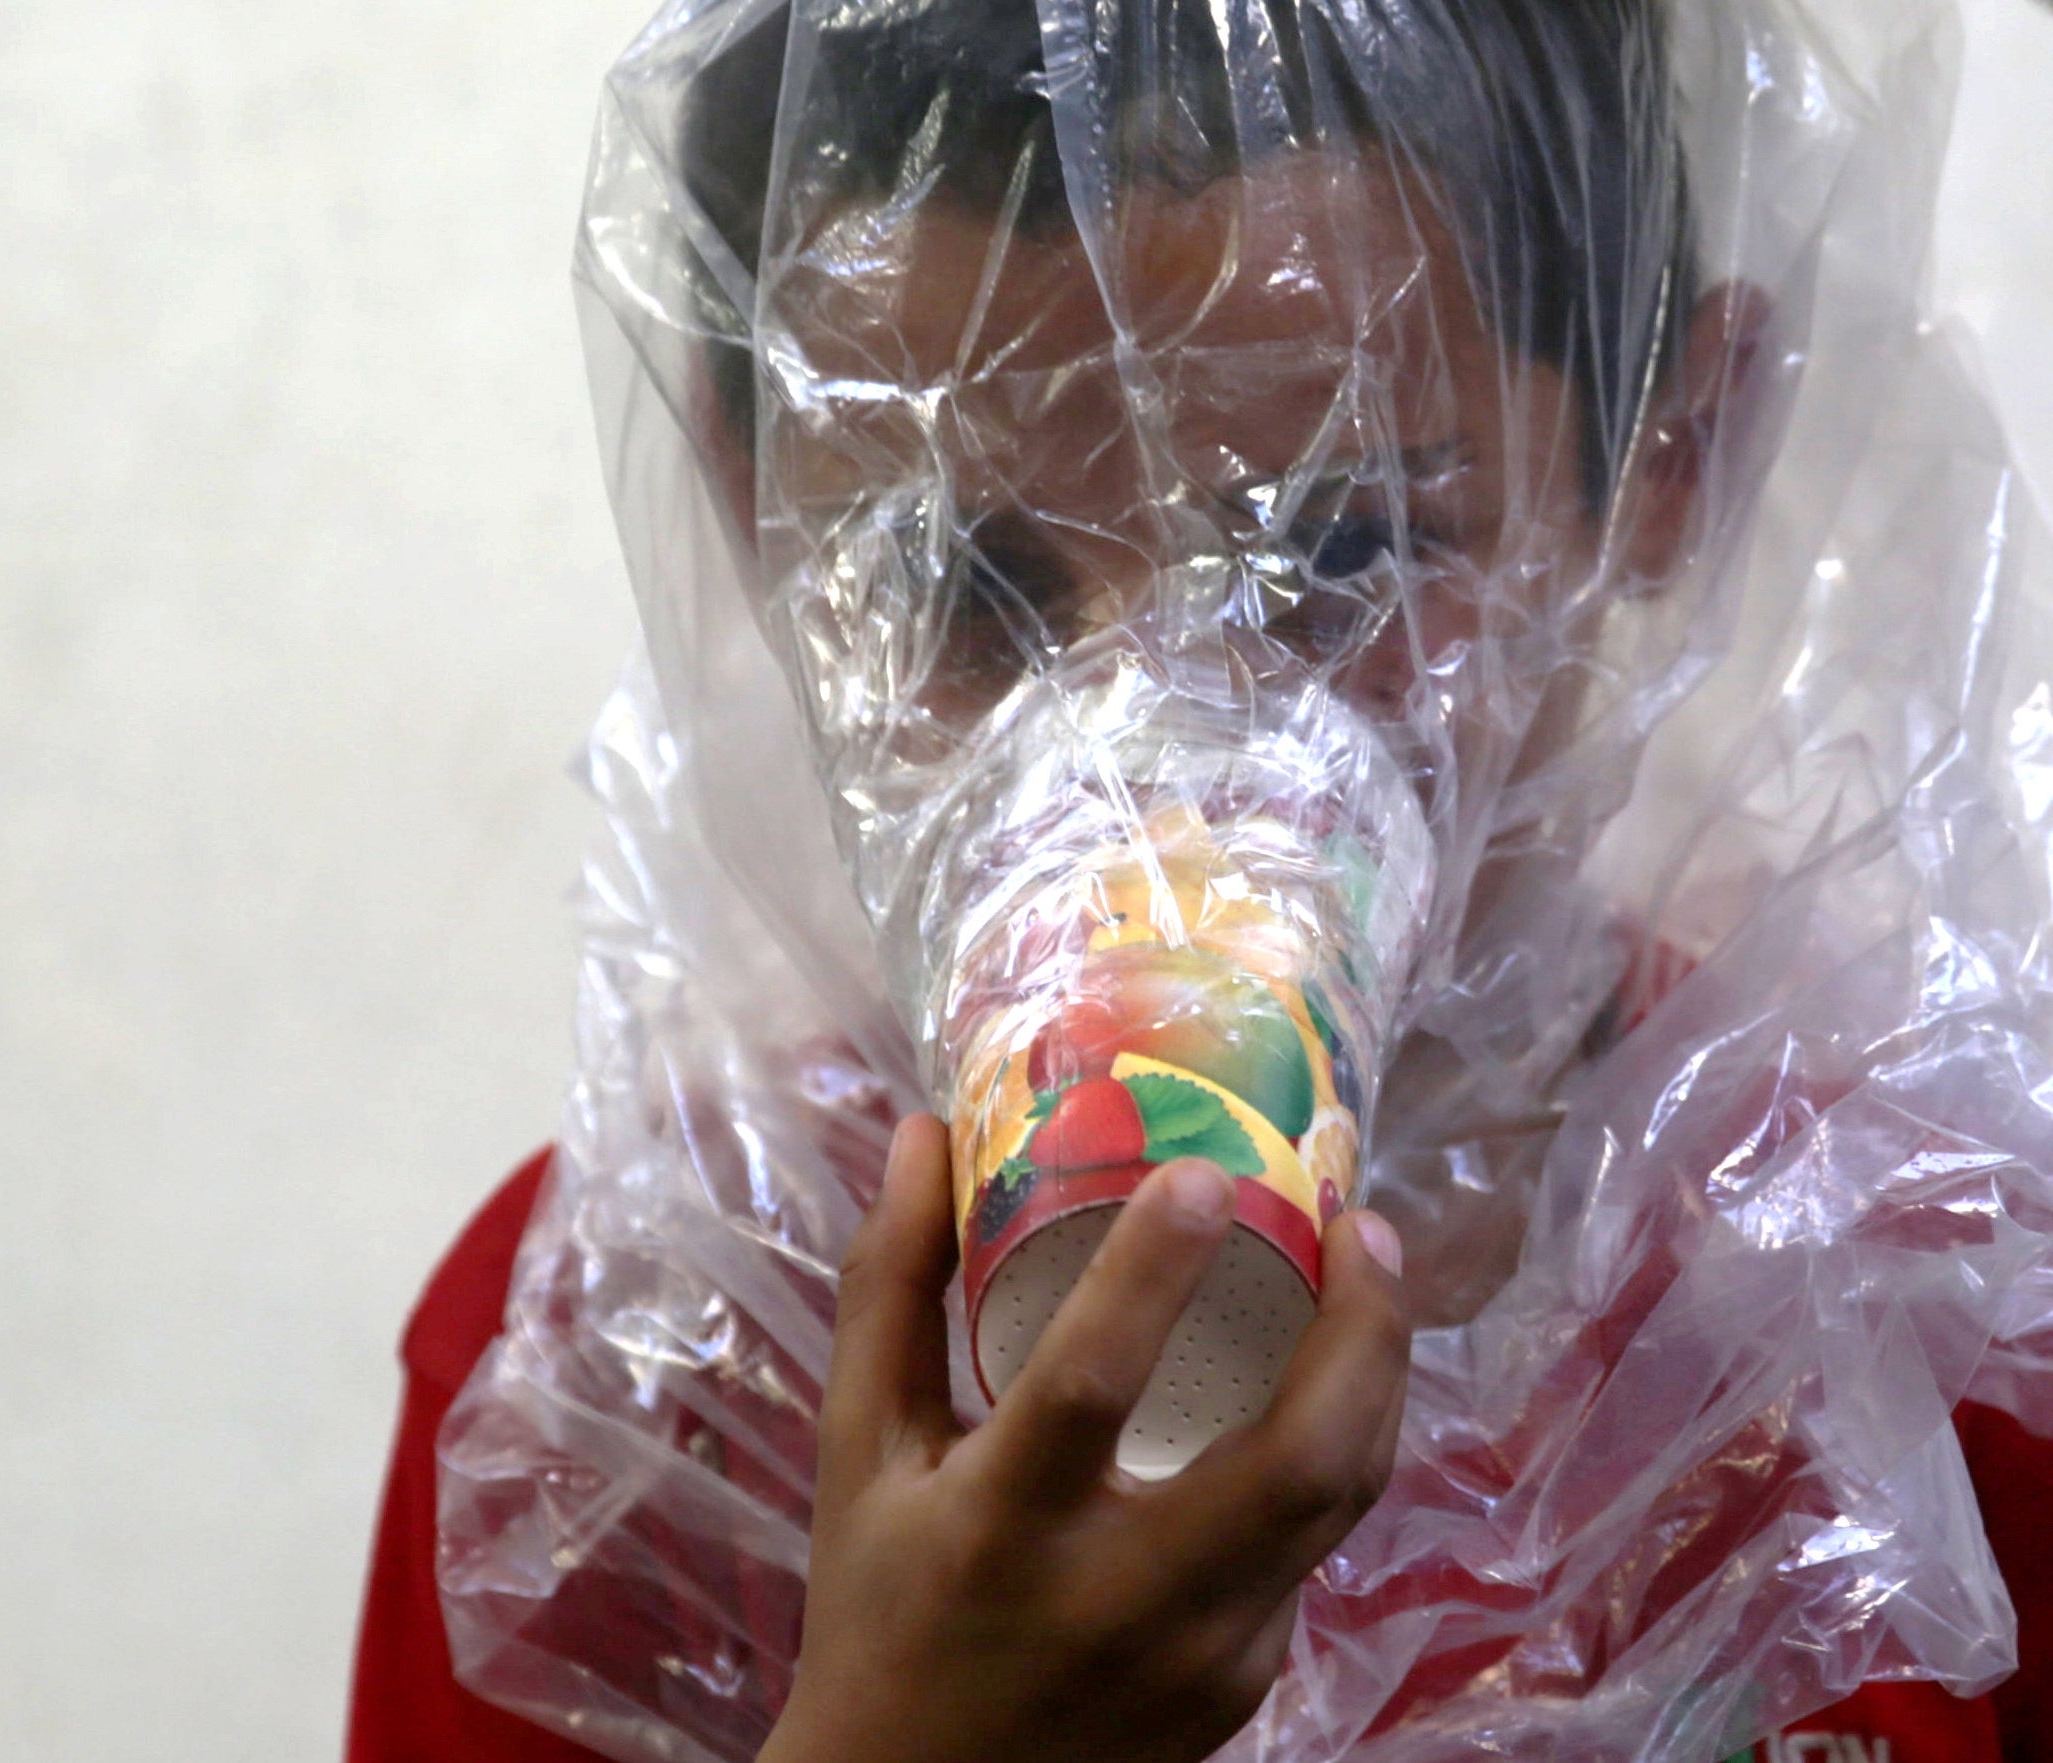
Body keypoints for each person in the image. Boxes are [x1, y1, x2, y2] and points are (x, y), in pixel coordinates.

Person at [351, 1, 2053, 1758]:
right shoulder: (628, 1394)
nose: (1137, 770)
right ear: (759, 506)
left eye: (1340, 551)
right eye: (963, 582)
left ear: (1670, 452)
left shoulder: (1924, 1301)